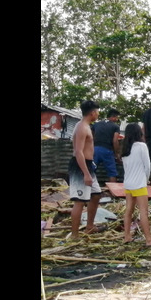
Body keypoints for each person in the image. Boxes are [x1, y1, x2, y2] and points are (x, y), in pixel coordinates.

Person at [120, 123, 151, 246]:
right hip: (139, 184)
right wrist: (146, 179)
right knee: (143, 212)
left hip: (128, 184)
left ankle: (127, 236)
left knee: (128, 211)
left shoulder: (125, 148)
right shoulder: (141, 146)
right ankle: (149, 240)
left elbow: (125, 168)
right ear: (139, 133)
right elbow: (147, 166)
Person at [69, 100, 103, 239]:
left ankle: (89, 226)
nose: (98, 114)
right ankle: (75, 235)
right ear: (92, 113)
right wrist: (86, 173)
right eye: (97, 112)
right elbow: (78, 152)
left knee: (96, 195)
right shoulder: (82, 127)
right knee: (80, 201)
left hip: (88, 165)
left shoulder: (85, 126)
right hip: (80, 167)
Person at [92, 108, 122, 183]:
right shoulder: (115, 126)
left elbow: (91, 138)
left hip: (95, 150)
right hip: (107, 150)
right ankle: (113, 192)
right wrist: (117, 154)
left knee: (91, 171)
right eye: (117, 117)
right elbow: (115, 141)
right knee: (112, 173)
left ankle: (87, 190)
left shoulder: (96, 124)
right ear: (114, 117)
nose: (117, 119)